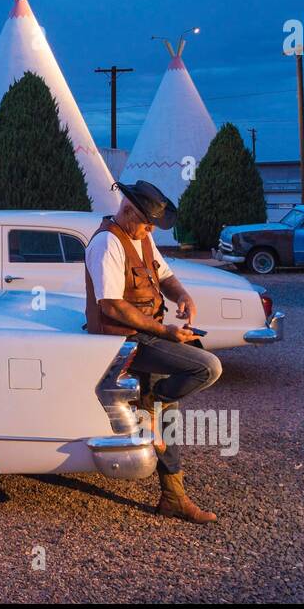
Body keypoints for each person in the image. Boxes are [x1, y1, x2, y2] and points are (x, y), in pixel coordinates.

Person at [84, 180, 222, 523]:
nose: (150, 231)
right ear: (129, 211)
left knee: (171, 415)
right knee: (207, 367)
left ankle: (173, 497)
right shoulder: (107, 242)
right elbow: (112, 306)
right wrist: (166, 331)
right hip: (125, 341)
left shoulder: (140, 237)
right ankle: (152, 406)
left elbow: (166, 276)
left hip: (148, 334)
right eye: (147, 223)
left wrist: (184, 297)